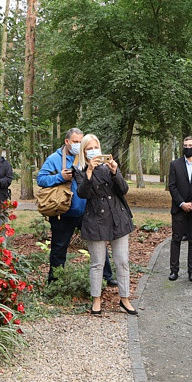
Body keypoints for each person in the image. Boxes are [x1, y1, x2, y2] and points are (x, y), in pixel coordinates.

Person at [37, 128, 116, 285]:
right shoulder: (54, 159)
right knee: (59, 248)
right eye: (75, 142)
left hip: (87, 211)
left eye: (81, 142)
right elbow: (41, 179)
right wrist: (60, 177)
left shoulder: (86, 156)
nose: (78, 145)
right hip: (63, 212)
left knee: (98, 243)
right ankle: (55, 282)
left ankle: (107, 277)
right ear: (67, 142)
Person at [73, 134, 135, 315]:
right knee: (97, 263)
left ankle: (124, 299)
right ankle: (96, 300)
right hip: (95, 219)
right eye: (89, 148)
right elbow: (83, 193)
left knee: (122, 261)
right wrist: (89, 172)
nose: (94, 151)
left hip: (117, 217)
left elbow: (123, 189)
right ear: (84, 152)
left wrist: (115, 172)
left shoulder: (110, 166)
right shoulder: (80, 169)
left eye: (96, 147)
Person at [168, 136, 192, 282]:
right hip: (179, 209)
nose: (187, 147)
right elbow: (172, 186)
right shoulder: (174, 164)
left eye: (190, 145)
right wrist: (182, 203)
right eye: (185, 145)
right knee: (176, 239)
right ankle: (174, 270)